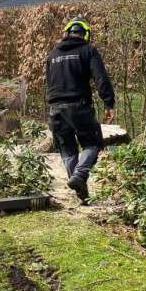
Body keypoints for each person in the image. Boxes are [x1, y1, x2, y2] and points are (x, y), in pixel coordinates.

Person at [45, 17, 116, 204]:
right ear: (85, 34)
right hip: (79, 106)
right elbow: (101, 79)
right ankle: (80, 174)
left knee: (67, 151)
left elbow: (49, 83)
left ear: (67, 33)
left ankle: (81, 194)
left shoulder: (52, 54)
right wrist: (109, 103)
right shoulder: (88, 50)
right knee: (93, 144)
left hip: (55, 110)